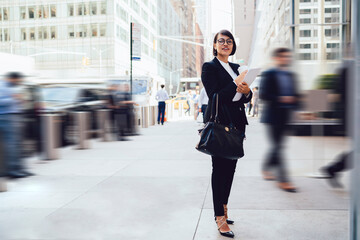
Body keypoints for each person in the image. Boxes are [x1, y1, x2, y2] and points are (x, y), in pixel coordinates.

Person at [201, 29, 252, 238]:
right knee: (219, 170)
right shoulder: (209, 67)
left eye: (229, 41)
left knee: (230, 169)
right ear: (214, 45)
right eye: (221, 41)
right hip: (221, 124)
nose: (225, 44)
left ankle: (224, 209)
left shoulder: (236, 67)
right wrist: (234, 85)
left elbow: (246, 97)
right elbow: (215, 97)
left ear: (233, 46)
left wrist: (247, 91)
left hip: (238, 123)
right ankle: (219, 217)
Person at [259, 48, 300, 193]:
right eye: (283, 56)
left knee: (277, 146)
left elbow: (296, 95)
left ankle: (265, 167)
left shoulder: (291, 75)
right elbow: (263, 95)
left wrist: (297, 108)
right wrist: (281, 99)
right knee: (278, 148)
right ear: (276, 58)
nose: (286, 59)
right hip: (272, 117)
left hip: (286, 116)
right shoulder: (269, 74)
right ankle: (284, 180)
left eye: (288, 56)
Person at [0, 72, 34, 178]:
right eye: (19, 80)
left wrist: (20, 101)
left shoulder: (11, 87)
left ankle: (20, 168)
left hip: (15, 116)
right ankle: (12, 170)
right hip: (6, 117)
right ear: (12, 79)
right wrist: (14, 99)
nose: (20, 82)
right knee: (12, 144)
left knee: (18, 144)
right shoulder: (2, 86)